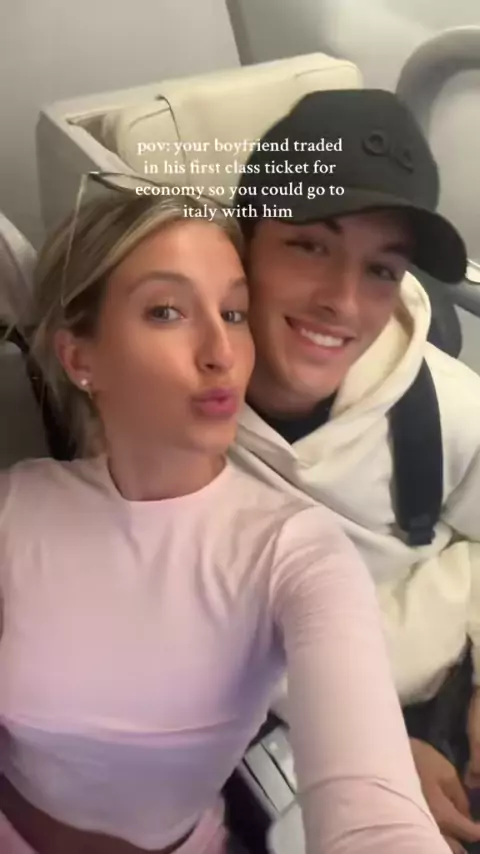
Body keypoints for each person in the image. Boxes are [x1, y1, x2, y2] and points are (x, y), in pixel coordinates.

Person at [0, 188, 451, 854]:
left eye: (234, 313)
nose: (221, 352)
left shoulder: (296, 551)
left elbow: (372, 817)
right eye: (167, 311)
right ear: (80, 358)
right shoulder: (18, 505)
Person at [229, 88, 480, 854]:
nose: (341, 301)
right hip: (280, 724)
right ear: (242, 244)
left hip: (445, 685)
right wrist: (372, 756)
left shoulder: (446, 411)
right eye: (309, 245)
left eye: (381, 269)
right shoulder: (174, 419)